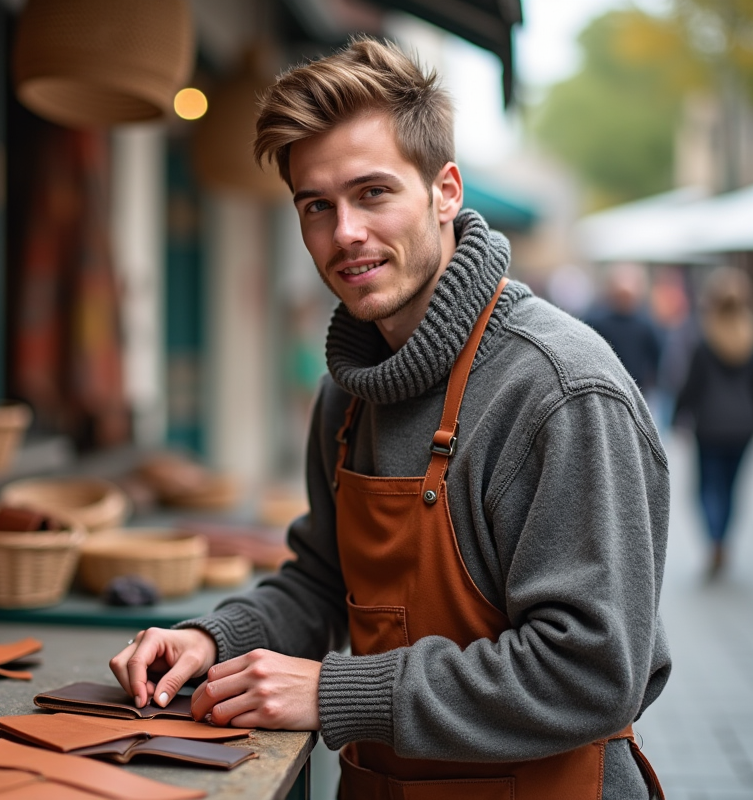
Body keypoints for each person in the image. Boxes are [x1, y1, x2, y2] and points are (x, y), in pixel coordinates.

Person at [110, 37, 670, 798]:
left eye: (373, 192)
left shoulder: (560, 391)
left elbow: (590, 674)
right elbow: (322, 581)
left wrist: (333, 692)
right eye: (317, 205)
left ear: (445, 192)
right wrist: (215, 639)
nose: (344, 232)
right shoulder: (349, 391)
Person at [674, 266, 753, 579]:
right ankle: (722, 539)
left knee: (707, 487)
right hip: (743, 424)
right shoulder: (748, 338)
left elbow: (690, 386)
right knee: (731, 488)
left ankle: (715, 539)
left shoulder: (705, 339)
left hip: (709, 424)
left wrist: (678, 416)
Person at [583, 261, 664, 395]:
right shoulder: (597, 321)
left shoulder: (644, 324)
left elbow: (656, 357)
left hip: (637, 388)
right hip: (606, 387)